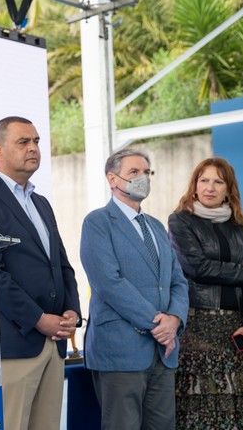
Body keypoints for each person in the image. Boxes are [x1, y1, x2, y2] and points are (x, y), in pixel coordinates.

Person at [0, 116, 81, 430]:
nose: (33, 148)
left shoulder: (41, 203)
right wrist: (39, 319)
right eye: (23, 142)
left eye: (36, 141)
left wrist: (72, 311)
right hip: (11, 346)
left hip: (53, 345)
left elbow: (61, 265)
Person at [80, 148, 189, 430]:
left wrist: (174, 320)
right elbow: (108, 282)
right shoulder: (98, 222)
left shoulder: (155, 225)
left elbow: (177, 280)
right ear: (112, 179)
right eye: (134, 172)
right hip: (120, 350)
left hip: (163, 352)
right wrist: (159, 323)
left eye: (146, 172)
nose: (143, 178)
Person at [168, 157, 243, 429]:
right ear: (195, 185)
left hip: (237, 329)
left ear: (228, 188)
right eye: (204, 180)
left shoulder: (241, 224)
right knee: (203, 411)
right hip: (197, 327)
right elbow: (197, 267)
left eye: (218, 181)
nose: (210, 187)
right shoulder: (180, 221)